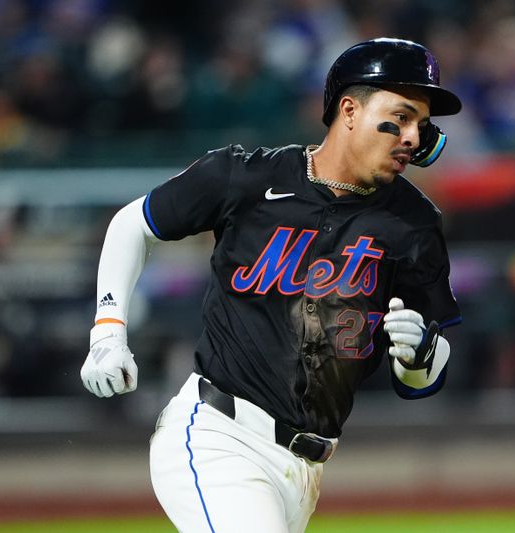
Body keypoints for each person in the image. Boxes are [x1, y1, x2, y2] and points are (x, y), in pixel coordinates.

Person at [80, 37, 463, 533]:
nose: (414, 136)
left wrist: (421, 358)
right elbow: (132, 224)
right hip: (220, 434)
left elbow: (419, 380)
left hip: (305, 470)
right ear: (349, 109)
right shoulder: (247, 176)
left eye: (422, 124)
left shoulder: (414, 223)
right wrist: (107, 331)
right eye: (401, 116)